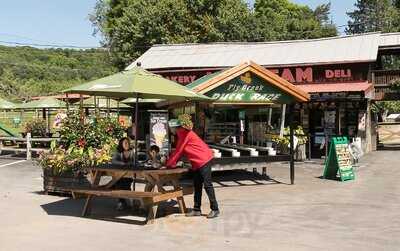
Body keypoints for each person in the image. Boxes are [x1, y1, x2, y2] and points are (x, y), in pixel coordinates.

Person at [165, 118, 220, 219]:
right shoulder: (183, 133)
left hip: (204, 159)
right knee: (197, 185)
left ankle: (215, 209)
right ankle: (196, 209)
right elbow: (180, 151)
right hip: (197, 162)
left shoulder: (183, 134)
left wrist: (168, 164)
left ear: (174, 127)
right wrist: (172, 162)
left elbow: (178, 151)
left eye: (170, 128)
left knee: (207, 185)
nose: (170, 130)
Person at [112, 137, 134, 210]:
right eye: (125, 143)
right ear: (121, 144)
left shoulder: (132, 151)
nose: (127, 144)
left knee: (126, 184)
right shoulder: (118, 151)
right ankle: (122, 202)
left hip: (129, 174)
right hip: (119, 174)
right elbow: (114, 161)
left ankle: (123, 202)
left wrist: (131, 163)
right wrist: (123, 163)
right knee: (120, 184)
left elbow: (135, 162)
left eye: (128, 143)